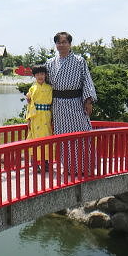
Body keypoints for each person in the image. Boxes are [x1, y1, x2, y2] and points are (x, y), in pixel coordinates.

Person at [45, 31, 98, 177]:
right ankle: (68, 167)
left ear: (70, 44)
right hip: (58, 106)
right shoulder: (50, 63)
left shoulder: (79, 61)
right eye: (59, 42)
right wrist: (33, 95)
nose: (61, 45)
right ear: (55, 44)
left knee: (82, 135)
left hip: (76, 103)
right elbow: (44, 85)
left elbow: (87, 81)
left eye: (64, 42)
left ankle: (85, 167)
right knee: (63, 138)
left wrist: (88, 101)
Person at [25, 65, 54, 169]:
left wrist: (53, 119)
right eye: (37, 74)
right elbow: (29, 105)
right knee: (35, 138)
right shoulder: (32, 88)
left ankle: (46, 162)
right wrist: (28, 119)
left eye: (42, 74)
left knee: (47, 138)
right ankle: (35, 163)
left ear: (45, 75)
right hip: (36, 116)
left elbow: (52, 104)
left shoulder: (50, 88)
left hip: (46, 115)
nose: (40, 76)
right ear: (34, 76)